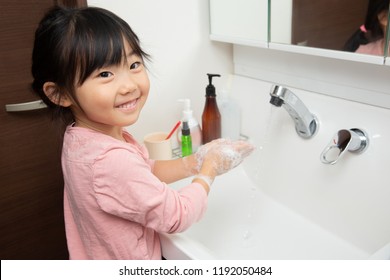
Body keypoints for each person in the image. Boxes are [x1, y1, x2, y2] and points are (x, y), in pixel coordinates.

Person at [31, 5, 254, 260]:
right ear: (60, 94)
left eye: (134, 64)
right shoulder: (109, 160)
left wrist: (195, 161)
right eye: (105, 74)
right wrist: (209, 171)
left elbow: (142, 169)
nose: (129, 85)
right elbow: (177, 216)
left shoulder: (82, 138)